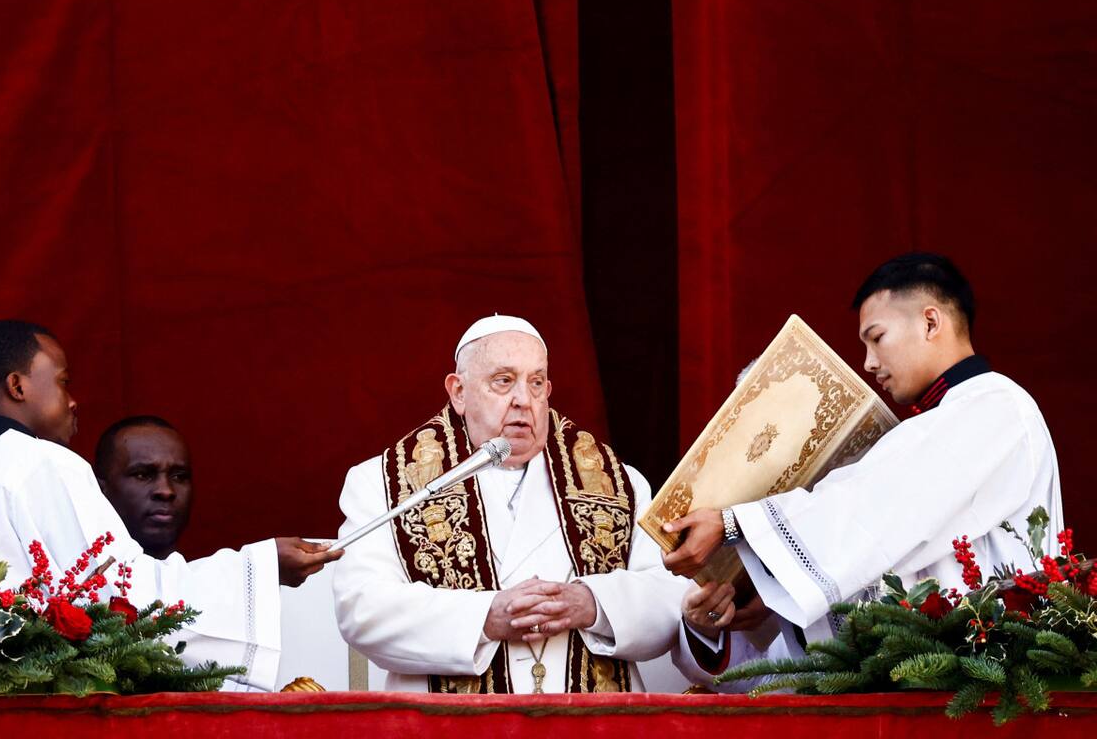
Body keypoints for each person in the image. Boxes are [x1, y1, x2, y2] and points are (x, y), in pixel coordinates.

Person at [666, 253, 1065, 686]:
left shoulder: (996, 406)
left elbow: (873, 505)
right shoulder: (942, 425)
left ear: (930, 322)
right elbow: (768, 679)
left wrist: (734, 523)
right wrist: (767, 593)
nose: (869, 362)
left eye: (877, 338)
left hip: (982, 683)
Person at [0, 320, 342, 691]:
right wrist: (261, 567)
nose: (73, 400)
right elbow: (123, 599)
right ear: (17, 386)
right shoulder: (42, 462)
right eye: (63, 381)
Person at [333, 315, 689, 693]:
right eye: (503, 381)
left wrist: (594, 604)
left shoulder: (619, 484)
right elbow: (362, 606)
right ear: (458, 392)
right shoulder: (384, 483)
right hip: (447, 721)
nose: (523, 400)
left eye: (536, 383)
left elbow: (673, 597)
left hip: (592, 719)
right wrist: (485, 617)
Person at [94, 415, 192, 560]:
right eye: (143, 475)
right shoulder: (65, 571)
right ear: (100, 488)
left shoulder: (219, 572)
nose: (166, 491)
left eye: (179, 477)